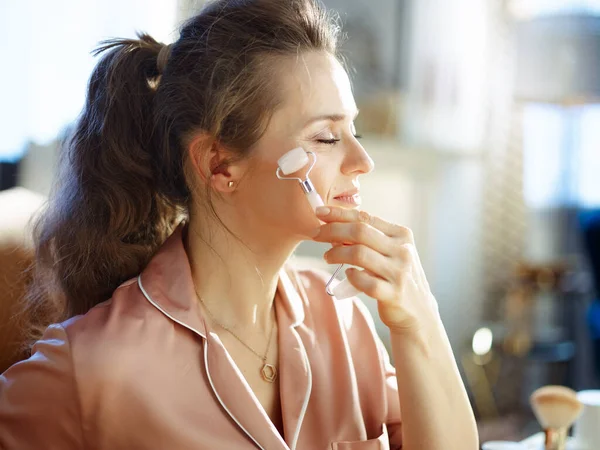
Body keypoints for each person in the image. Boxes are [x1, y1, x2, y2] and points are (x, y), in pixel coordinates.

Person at [0, 0, 478, 448]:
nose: (363, 160)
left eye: (355, 131)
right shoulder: (91, 366)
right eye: (327, 137)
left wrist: (419, 320)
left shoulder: (346, 323)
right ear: (219, 165)